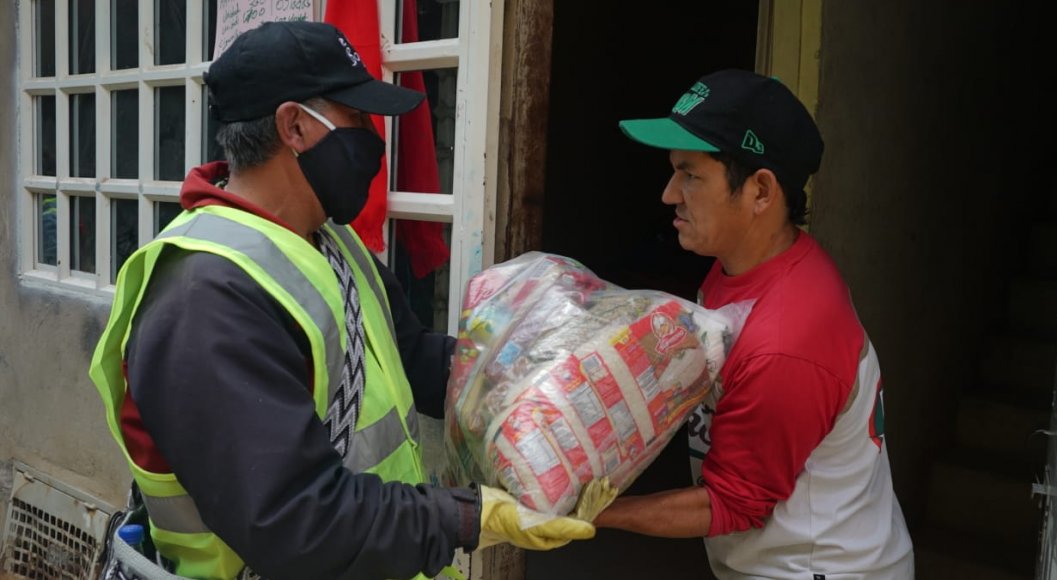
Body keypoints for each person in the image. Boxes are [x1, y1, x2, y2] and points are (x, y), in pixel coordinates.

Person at [88, 21, 593, 580]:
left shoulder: (327, 242)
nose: (372, 139)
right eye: (355, 118)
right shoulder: (205, 301)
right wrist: (467, 517)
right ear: (295, 126)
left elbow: (408, 354)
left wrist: (534, 379)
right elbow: (297, 521)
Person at [593, 69, 915, 579]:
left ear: (761, 192)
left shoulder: (786, 339)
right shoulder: (744, 267)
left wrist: (590, 515)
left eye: (690, 174)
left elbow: (731, 505)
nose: (669, 194)